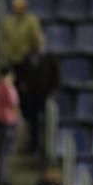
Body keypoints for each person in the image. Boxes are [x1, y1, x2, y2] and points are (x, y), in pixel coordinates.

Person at [14, 32, 60, 160]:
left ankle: (45, 149)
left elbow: (56, 77)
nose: (37, 44)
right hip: (30, 97)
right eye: (35, 42)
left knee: (45, 123)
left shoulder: (50, 58)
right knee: (32, 123)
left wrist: (52, 92)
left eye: (40, 42)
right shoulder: (27, 57)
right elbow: (21, 77)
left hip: (45, 96)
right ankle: (33, 146)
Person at [0, 0, 43, 67]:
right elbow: (3, 38)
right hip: (11, 58)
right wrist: (6, 51)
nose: (18, 9)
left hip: (27, 59)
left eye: (20, 7)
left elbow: (37, 38)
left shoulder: (32, 20)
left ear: (25, 7)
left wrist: (33, 51)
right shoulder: (7, 21)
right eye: (16, 7)